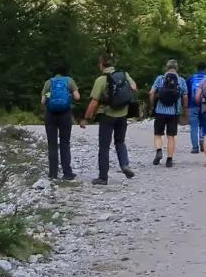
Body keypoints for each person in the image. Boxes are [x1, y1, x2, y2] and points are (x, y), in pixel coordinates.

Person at [83, 52, 138, 184]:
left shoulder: (101, 80)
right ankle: (124, 165)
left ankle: (103, 177)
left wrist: (86, 117)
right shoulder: (124, 74)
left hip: (107, 116)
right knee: (120, 141)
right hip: (123, 115)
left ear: (101, 64)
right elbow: (134, 88)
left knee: (104, 147)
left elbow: (94, 102)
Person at [40, 61, 79, 182]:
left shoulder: (49, 82)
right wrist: (68, 96)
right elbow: (77, 97)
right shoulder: (69, 81)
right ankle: (67, 173)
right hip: (65, 115)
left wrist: (50, 98)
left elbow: (43, 100)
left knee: (52, 144)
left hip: (50, 115)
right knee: (65, 143)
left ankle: (53, 174)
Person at [148, 59, 188, 167]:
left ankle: (158, 151)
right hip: (174, 112)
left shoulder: (160, 79)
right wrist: (184, 109)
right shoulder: (181, 80)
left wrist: (152, 105)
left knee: (157, 134)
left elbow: (151, 92)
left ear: (167, 67)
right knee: (171, 136)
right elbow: (185, 96)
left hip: (160, 111)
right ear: (176, 68)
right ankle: (169, 159)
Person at [185, 60, 206, 155]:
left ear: (197, 68)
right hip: (205, 105)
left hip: (192, 105)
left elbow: (186, 93)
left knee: (194, 127)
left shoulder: (191, 78)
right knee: (204, 125)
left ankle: (195, 147)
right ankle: (203, 142)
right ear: (205, 69)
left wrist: (185, 106)